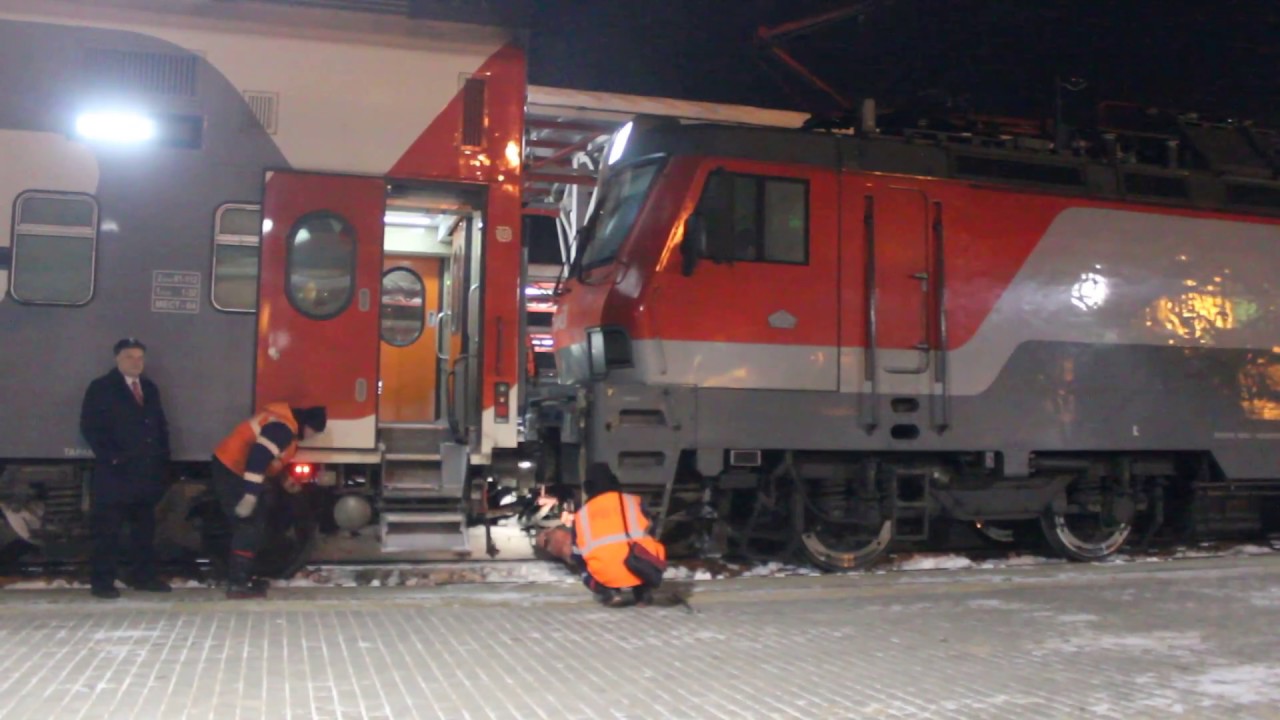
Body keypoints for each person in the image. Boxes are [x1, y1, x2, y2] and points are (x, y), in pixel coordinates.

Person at [79, 338, 172, 599]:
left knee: (144, 529)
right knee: (107, 530)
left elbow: (159, 425)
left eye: (140, 357)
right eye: (130, 357)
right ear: (117, 359)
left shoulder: (150, 389)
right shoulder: (102, 387)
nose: (136, 362)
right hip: (115, 473)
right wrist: (112, 457)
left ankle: (143, 577)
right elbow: (90, 425)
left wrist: (163, 459)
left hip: (145, 471)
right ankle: (102, 582)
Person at [211, 402, 326, 599]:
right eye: (313, 431)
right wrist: (250, 496)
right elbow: (258, 458)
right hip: (231, 469)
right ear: (306, 425)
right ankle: (237, 583)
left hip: (236, 469)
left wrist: (286, 480)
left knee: (254, 524)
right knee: (248, 526)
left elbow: (271, 461)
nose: (311, 436)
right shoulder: (282, 428)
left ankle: (243, 578)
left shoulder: (285, 429)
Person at [568, 463, 666, 608]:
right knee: (651, 546)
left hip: (605, 572)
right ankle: (643, 593)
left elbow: (576, 553)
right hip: (641, 567)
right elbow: (651, 528)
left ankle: (608, 592)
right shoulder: (634, 501)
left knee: (582, 564)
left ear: (588, 487)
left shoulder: (581, 514)